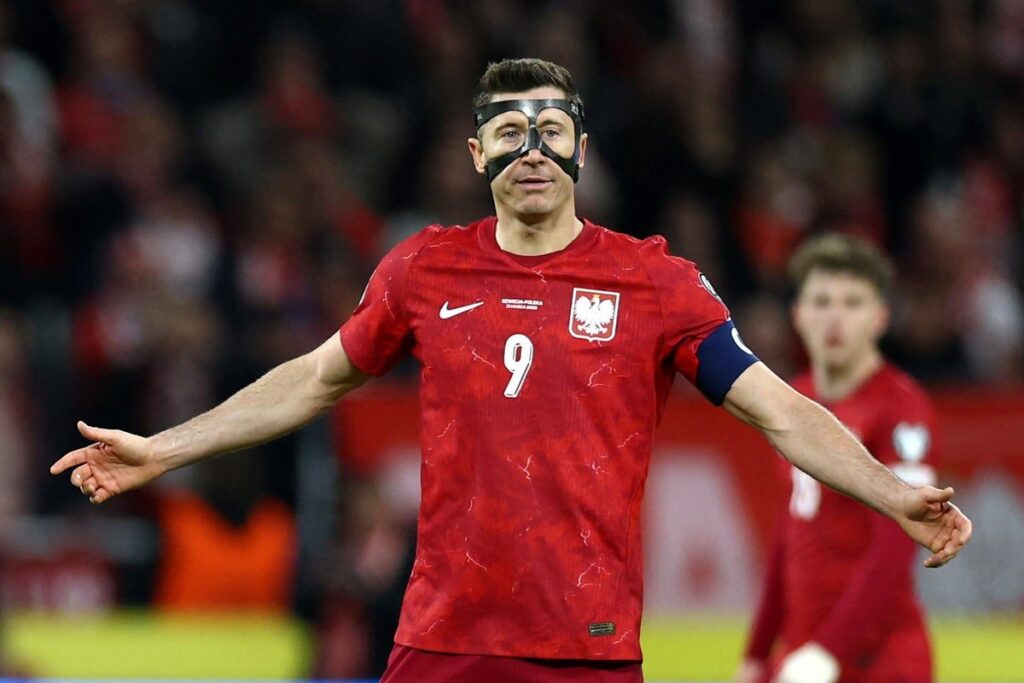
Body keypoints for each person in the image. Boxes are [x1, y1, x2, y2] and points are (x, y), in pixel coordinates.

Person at [51, 59, 971, 683]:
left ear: (580, 147)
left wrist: (893, 491)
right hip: (440, 639)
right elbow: (312, 377)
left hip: (587, 644)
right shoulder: (422, 267)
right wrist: (163, 451)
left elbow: (777, 409)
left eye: (550, 127)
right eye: (507, 129)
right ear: (476, 151)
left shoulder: (654, 280)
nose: (530, 147)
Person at [734, 234, 942, 683]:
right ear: (798, 315)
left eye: (852, 302)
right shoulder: (795, 403)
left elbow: (898, 542)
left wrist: (828, 651)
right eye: (822, 301)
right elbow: (788, 533)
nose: (835, 317)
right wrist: (756, 654)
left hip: (879, 660)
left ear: (880, 317)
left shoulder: (901, 409)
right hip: (803, 655)